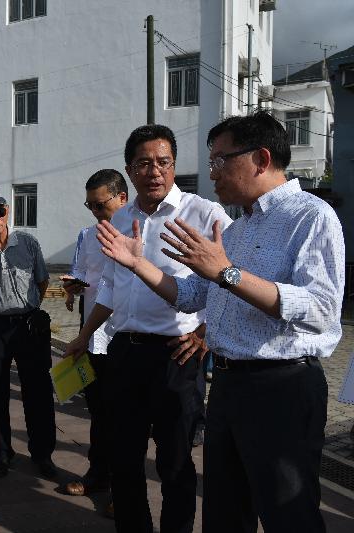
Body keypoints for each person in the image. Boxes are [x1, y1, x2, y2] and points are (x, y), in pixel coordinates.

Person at [94, 111, 344, 533]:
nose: (212, 174)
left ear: (261, 159)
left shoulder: (310, 216)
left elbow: (320, 308)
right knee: (225, 512)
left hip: (280, 386)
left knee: (288, 512)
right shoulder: (242, 226)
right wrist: (140, 265)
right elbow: (194, 295)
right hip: (228, 385)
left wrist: (228, 273)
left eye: (220, 161)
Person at [64, 124, 231, 533]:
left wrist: (205, 332)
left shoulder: (204, 214)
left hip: (178, 355)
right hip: (126, 352)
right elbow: (110, 286)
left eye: (163, 162)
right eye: (144, 163)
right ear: (130, 170)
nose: (154, 171)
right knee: (124, 456)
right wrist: (85, 336)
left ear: (174, 166)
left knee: (174, 461)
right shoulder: (120, 218)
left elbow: (232, 279)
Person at [0, 189, 57, 479]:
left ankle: (42, 454)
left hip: (29, 324)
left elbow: (42, 281)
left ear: (7, 212)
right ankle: (1, 452)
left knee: (38, 391)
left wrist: (28, 309)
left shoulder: (28, 244)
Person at [61, 169, 128, 504]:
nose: (96, 214)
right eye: (90, 207)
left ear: (122, 198)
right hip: (93, 337)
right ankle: (98, 474)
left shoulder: (138, 233)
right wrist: (73, 285)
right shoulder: (88, 236)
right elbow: (82, 273)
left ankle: (123, 488)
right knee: (99, 412)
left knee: (126, 419)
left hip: (128, 339)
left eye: (101, 206)